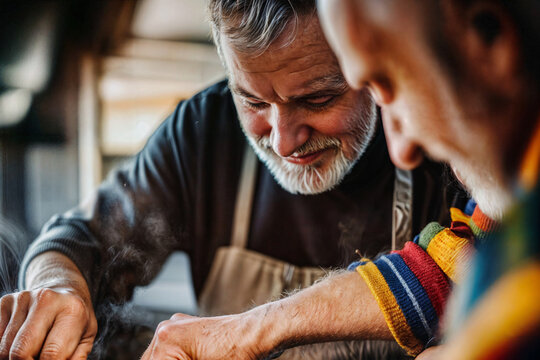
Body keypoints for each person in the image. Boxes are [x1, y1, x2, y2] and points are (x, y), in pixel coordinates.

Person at [0, 1, 462, 359]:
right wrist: (57, 287)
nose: (283, 142)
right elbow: (82, 238)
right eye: (254, 102)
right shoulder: (203, 133)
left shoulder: (446, 146)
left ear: (371, 62)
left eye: (318, 99)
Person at [137, 0, 540, 359]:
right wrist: (248, 331)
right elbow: (452, 264)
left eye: (395, 84)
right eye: (254, 102)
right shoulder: (513, 212)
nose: (402, 148)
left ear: (491, 40)